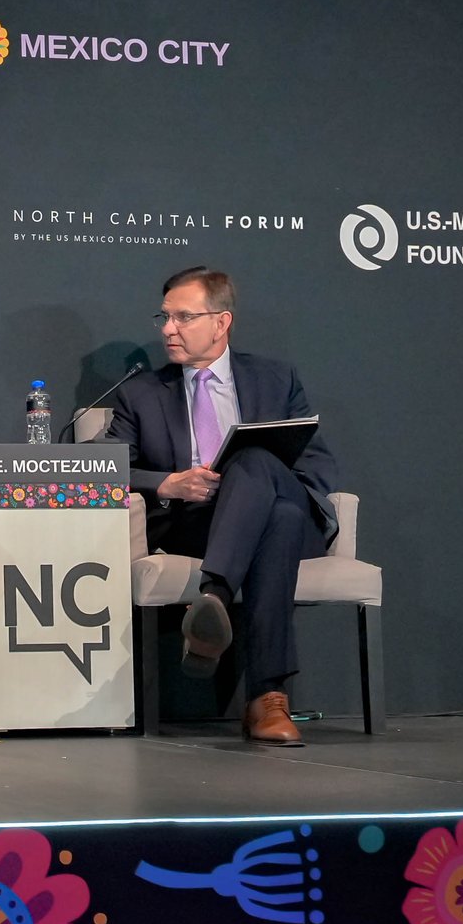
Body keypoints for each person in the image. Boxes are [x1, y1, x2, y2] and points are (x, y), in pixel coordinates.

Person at [106, 265, 340, 746]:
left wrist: (267, 481)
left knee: (257, 463)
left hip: (287, 513)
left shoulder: (275, 378)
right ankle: (268, 700)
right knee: (278, 519)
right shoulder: (140, 393)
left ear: (221, 322)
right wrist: (168, 483)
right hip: (197, 523)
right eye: (164, 317)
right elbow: (106, 468)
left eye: (183, 317)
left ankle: (213, 594)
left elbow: (314, 463)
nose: (168, 329)